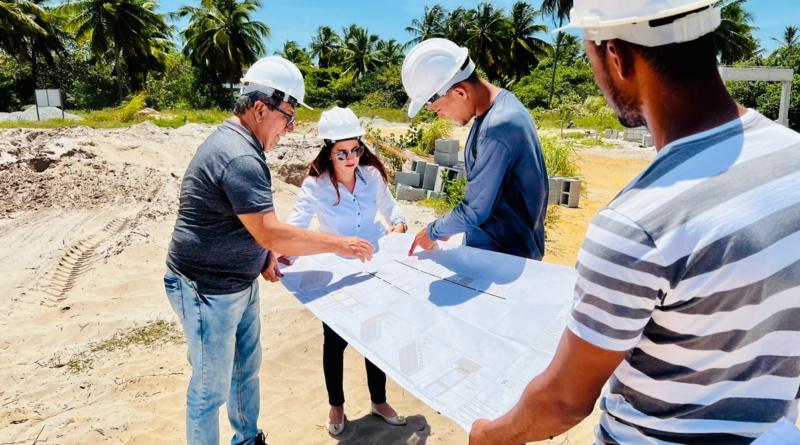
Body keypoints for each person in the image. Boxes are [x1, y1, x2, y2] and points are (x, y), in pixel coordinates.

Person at [468, 1, 800, 444]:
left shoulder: (639, 223)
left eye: (590, 58)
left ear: (617, 58)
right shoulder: (792, 158)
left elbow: (564, 402)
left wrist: (488, 435)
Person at [164, 57, 374, 445]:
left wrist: (264, 256)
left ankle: (247, 438)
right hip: (206, 288)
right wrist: (340, 244)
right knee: (210, 388)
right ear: (261, 108)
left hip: (235, 283)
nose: (290, 128)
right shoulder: (240, 155)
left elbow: (246, 224)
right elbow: (271, 232)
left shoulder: (240, 145)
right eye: (288, 116)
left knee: (245, 371)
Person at [281, 106, 408, 436]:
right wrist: (283, 253)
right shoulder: (315, 186)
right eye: (342, 152)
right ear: (328, 151)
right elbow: (297, 228)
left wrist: (399, 225)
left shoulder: (373, 177)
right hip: (336, 271)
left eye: (356, 149)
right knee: (334, 341)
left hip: (374, 265)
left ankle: (379, 402)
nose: (351, 157)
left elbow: (393, 212)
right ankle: (337, 406)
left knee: (375, 335)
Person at [401, 38, 549, 260]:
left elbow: (474, 211)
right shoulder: (500, 109)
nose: (441, 116)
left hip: (502, 255)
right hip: (507, 247)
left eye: (438, 109)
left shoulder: (497, 126)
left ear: (460, 92)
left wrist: (433, 231)